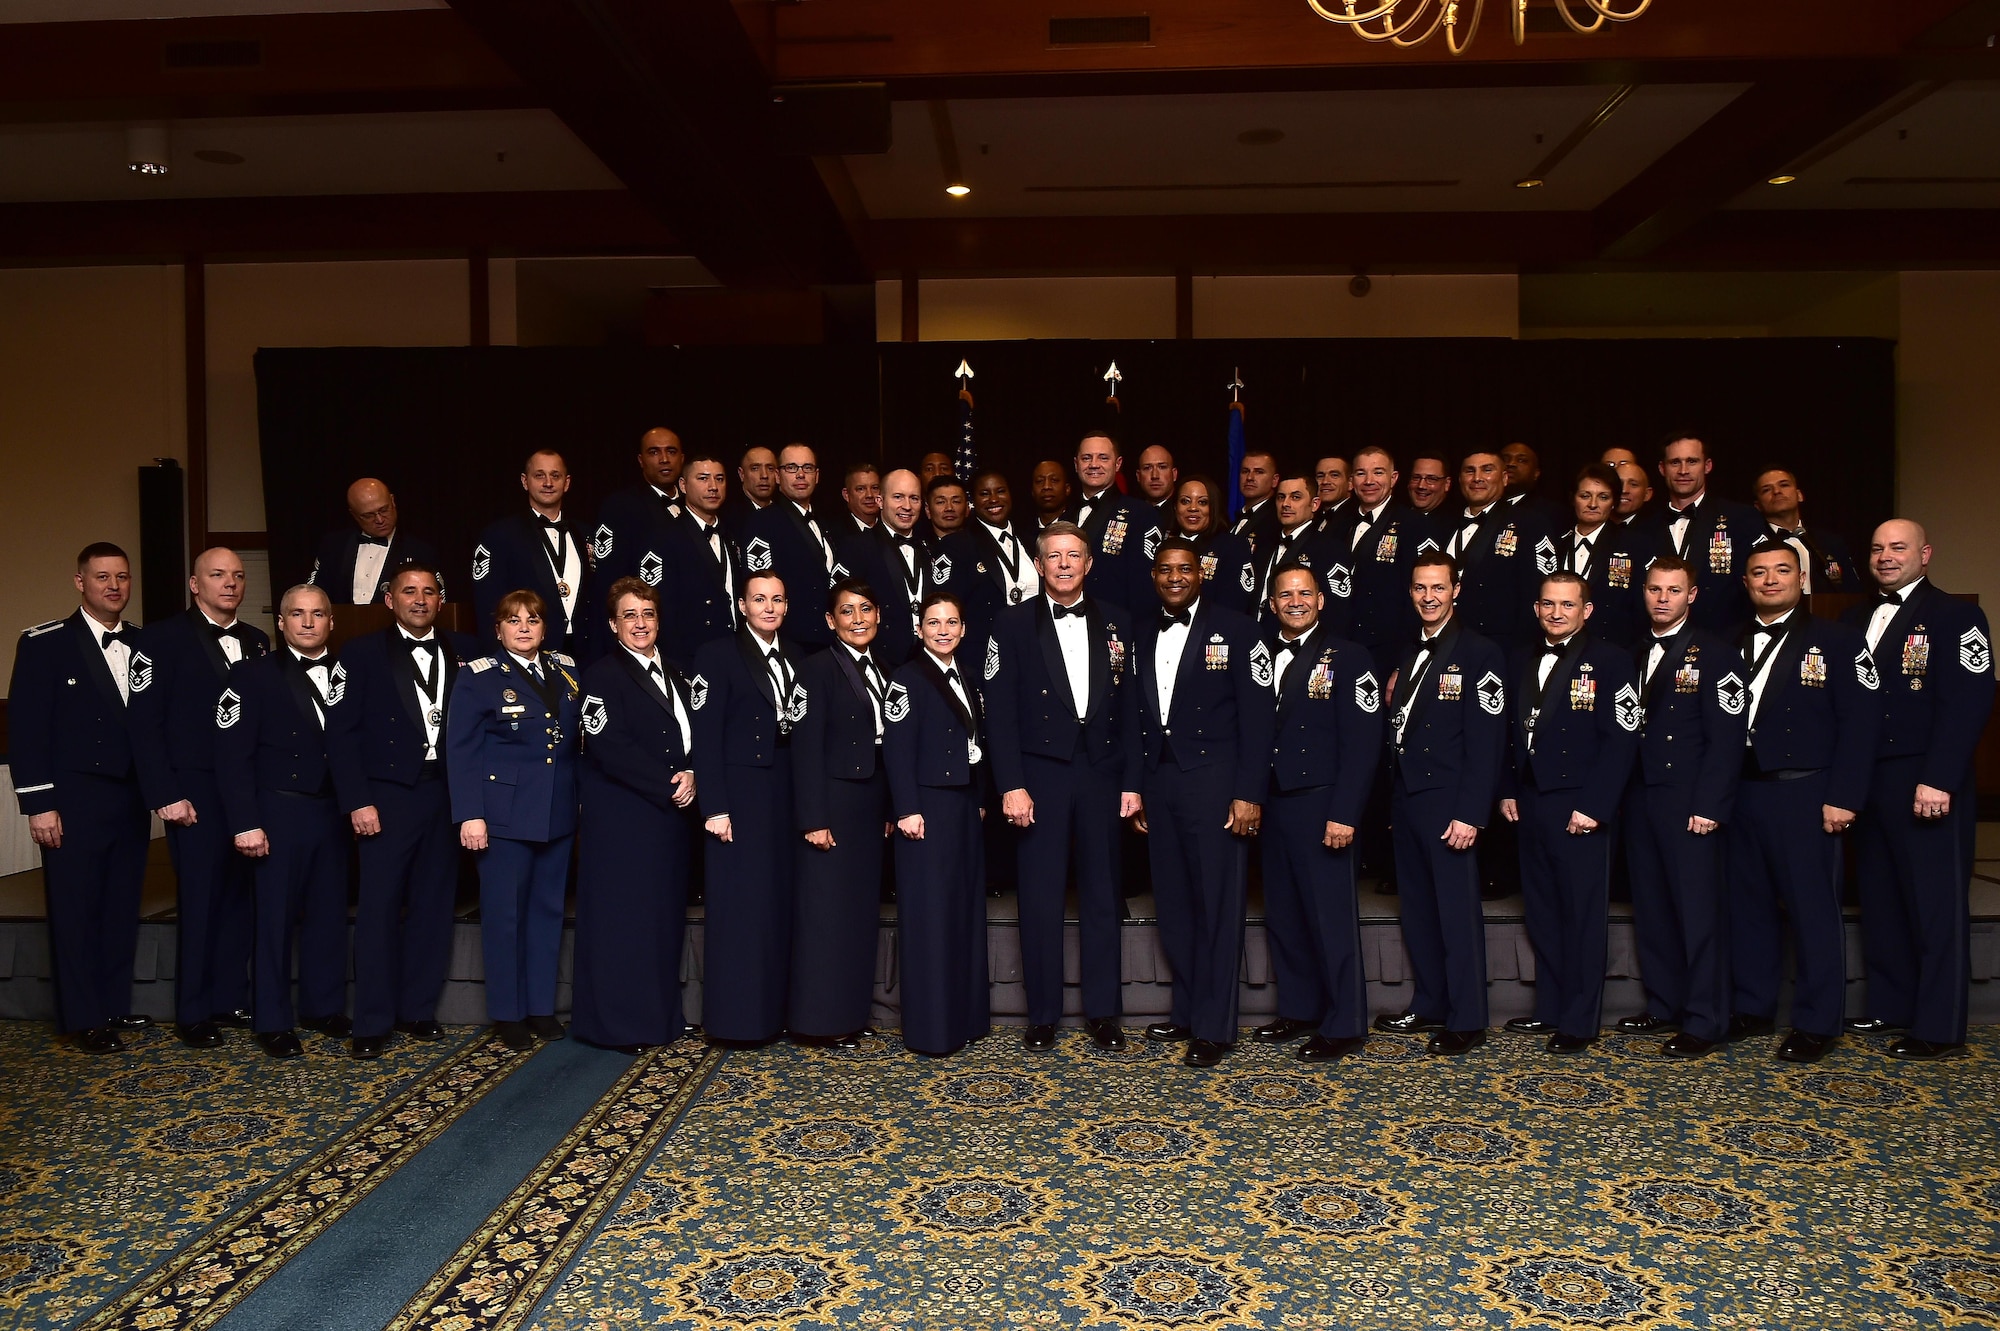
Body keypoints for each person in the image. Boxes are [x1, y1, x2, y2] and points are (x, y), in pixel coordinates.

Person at [1840, 520, 1996, 1059]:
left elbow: (1969, 702)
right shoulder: (1855, 618)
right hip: (1870, 777)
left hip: (1927, 777)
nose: (1885, 556)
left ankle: (1937, 1026)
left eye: (1898, 547)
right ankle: (1890, 1003)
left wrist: (1940, 777)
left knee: (1935, 904)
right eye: (1878, 547)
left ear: (1924, 554)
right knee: (1881, 896)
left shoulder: (1957, 615)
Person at [983, 522, 1141, 1052]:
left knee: (1102, 895)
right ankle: (1043, 1015)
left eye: (1075, 555)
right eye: (1055, 556)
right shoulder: (1008, 625)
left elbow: (1133, 713)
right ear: (1039, 563)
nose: (1065, 564)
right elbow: (998, 716)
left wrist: (1133, 782)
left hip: (1101, 775)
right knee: (1041, 896)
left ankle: (1104, 1012)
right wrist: (1011, 785)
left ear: (1089, 563)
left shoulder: (1119, 621)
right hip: (1039, 778)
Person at [1724, 540, 1878, 1064]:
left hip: (1807, 791)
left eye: (1781, 571)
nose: (1769, 580)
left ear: (1802, 578)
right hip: (1741, 790)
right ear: (1744, 582)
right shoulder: (1726, 640)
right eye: (1759, 572)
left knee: (1813, 909)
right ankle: (1752, 1006)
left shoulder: (1839, 640)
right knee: (1747, 907)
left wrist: (1843, 796)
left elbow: (1862, 724)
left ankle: (1817, 1021)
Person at [328, 564, 477, 1059]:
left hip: (446, 794)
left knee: (434, 907)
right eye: (409, 592)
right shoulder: (361, 653)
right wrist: (357, 800)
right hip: (387, 797)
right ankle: (371, 1021)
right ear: (389, 599)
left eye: (429, 592)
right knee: (378, 909)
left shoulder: (467, 650)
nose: (419, 599)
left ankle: (417, 1010)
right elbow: (341, 734)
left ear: (440, 599)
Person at [1131, 540, 1271, 1068]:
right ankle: (1188, 1010)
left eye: (1184, 569)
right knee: (1174, 905)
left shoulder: (1238, 629)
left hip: (1217, 786)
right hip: (1161, 783)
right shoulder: (1141, 631)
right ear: (1153, 575)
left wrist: (1249, 792)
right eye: (1164, 569)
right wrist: (1140, 788)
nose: (1174, 577)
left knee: (1217, 906)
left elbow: (1259, 718)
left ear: (1201, 573)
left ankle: (1215, 1026)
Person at [10, 543, 153, 1054]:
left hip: (130, 797)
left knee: (119, 904)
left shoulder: (144, 643)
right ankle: (83, 1017)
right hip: (72, 800)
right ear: (80, 583)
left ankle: (112, 1005)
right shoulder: (46, 643)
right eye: (102, 578)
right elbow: (26, 731)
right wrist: (38, 804)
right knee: (75, 909)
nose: (113, 587)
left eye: (121, 577)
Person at [215, 583, 366, 1058]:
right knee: (274, 919)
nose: (307, 622)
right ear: (280, 623)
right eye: (297, 614)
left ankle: (323, 1007)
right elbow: (230, 756)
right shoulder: (251, 675)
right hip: (277, 811)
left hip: (331, 810)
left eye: (317, 613)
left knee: (327, 914)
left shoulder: (353, 672)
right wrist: (244, 821)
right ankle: (273, 1020)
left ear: (331, 621)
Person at [129, 547, 270, 1048]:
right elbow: (144, 726)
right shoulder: (160, 639)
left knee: (240, 897)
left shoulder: (257, 641)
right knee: (200, 898)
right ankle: (192, 1009)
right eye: (217, 575)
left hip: (246, 793)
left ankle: (229, 997)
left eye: (236, 576)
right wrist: (166, 793)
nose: (229, 584)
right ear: (195, 584)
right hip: (193, 793)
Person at [1496, 572, 1640, 1055]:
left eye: (1567, 605)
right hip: (1532, 801)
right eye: (1548, 604)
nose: (1557, 613)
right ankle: (1551, 1009)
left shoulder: (1613, 662)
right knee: (1543, 910)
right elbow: (1509, 734)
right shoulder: (1520, 657)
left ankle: (1580, 1021)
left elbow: (1621, 741)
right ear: (1536, 609)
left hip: (1581, 805)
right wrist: (1509, 789)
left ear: (1587, 610)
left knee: (1581, 915)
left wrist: (1594, 807)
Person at [1374, 552, 1506, 1055]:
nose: (1428, 597)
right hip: (1408, 798)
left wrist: (1472, 812)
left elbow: (1486, 739)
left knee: (1454, 912)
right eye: (1419, 588)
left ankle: (1467, 1017)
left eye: (1438, 588)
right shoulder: (1410, 652)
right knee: (1419, 909)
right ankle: (1429, 1001)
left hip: (1450, 803)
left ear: (1456, 590)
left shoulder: (1479, 652)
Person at [1619, 555, 1746, 1059]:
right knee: (1653, 908)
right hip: (1642, 796)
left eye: (1673, 590)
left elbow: (1728, 737)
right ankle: (1666, 1002)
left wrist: (1711, 803)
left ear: (1691, 595)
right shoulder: (1630, 653)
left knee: (1698, 913)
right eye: (1654, 589)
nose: (1662, 598)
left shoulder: (1716, 654)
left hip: (1691, 800)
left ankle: (1704, 1018)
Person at [446, 589, 583, 1053]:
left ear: (545, 627)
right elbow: (460, 751)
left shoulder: (566, 669)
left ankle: (540, 1007)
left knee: (547, 914)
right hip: (502, 816)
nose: (524, 627)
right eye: (513, 620)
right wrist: (470, 814)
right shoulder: (478, 678)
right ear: (498, 628)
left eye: (533, 619)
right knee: (505, 917)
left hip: (557, 812)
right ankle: (508, 1012)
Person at [1256, 566, 1382, 1063]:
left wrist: (1346, 812)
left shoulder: (1351, 657)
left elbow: (1363, 742)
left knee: (1330, 919)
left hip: (1324, 803)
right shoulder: (1258, 653)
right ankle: (1299, 1008)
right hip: (1275, 801)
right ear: (1272, 604)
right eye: (1284, 594)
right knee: (1285, 914)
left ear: (1322, 600)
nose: (1295, 601)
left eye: (1304, 593)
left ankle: (1345, 1021)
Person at [572, 578, 699, 1053]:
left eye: (647, 613)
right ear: (612, 624)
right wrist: (671, 785)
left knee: (660, 920)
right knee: (622, 922)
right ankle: (618, 1026)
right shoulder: (602, 675)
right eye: (630, 615)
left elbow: (694, 735)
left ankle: (659, 1018)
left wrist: (695, 774)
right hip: (624, 819)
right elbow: (609, 748)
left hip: (667, 819)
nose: (640, 623)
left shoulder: (678, 671)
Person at [690, 573, 807, 1045]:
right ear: (742, 605)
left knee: (778, 904)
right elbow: (705, 739)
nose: (769, 607)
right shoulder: (716, 655)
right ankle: (736, 1022)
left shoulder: (799, 655)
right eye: (760, 599)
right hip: (737, 797)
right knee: (740, 908)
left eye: (777, 599)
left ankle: (775, 1014)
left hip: (784, 794)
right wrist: (714, 806)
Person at [883, 590, 992, 1057]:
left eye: (951, 622)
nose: (943, 630)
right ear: (919, 629)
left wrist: (981, 799)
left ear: (963, 630)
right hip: (925, 810)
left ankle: (965, 1018)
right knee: (929, 918)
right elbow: (896, 750)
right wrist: (906, 809)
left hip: (963, 808)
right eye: (934, 623)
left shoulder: (968, 675)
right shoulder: (906, 679)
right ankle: (932, 1030)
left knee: (962, 911)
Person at [790, 579, 894, 1048]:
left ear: (878, 616)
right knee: (825, 915)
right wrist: (813, 817)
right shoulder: (814, 670)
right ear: (831, 622)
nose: (858, 619)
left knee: (857, 913)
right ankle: (819, 1021)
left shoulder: (885, 668)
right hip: (831, 805)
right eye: (847, 612)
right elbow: (805, 749)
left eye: (865, 609)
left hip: (868, 806)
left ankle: (850, 1014)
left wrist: (890, 807)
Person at [471, 449, 592, 657]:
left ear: (567, 482)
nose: (548, 483)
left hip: (586, 654)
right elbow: (488, 606)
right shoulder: (499, 535)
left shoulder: (585, 533)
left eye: (555, 475)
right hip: (527, 655)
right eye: (539, 475)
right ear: (525, 481)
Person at [1634, 434, 1760, 632]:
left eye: (1692, 461)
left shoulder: (1740, 519)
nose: (1683, 470)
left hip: (1724, 642)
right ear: (1662, 468)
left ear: (1707, 466)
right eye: (1675, 462)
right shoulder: (1643, 528)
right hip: (1656, 644)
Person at [1441, 449, 1551, 654]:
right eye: (1469, 471)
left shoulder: (1529, 523)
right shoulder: (1443, 524)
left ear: (1504, 478)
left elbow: (1538, 591)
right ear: (1459, 479)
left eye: (1487, 470)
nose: (1477, 478)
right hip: (1446, 642)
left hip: (1504, 647)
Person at [742, 444, 838, 652]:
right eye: (792, 468)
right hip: (791, 640)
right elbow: (759, 582)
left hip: (830, 637)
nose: (801, 474)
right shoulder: (762, 522)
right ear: (778, 476)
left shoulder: (828, 522)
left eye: (808, 468)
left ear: (817, 475)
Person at [836, 467, 934, 665]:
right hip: (879, 660)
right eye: (898, 497)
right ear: (880, 501)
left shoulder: (928, 548)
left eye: (914, 498)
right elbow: (840, 606)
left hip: (927, 659)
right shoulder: (858, 547)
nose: (907, 506)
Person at [936, 468, 1037, 654]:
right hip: (984, 652)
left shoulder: (1033, 542)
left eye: (1000, 491)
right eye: (984, 494)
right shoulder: (958, 545)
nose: (993, 499)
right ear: (972, 501)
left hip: (1035, 645)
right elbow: (947, 606)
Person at [1063, 432, 1164, 616]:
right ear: (1076, 464)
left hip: (1116, 627)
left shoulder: (1140, 514)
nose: (1094, 464)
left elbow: (1145, 587)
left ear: (1117, 464)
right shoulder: (1065, 517)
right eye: (1087, 458)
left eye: (1103, 458)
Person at [660, 447, 742, 671]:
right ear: (683, 485)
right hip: (689, 657)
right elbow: (661, 607)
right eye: (703, 478)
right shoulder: (666, 537)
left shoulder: (731, 535)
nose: (713, 487)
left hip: (734, 651)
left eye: (720, 479)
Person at [308, 478, 444, 607]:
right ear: (354, 514)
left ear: (393, 501)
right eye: (368, 515)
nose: (379, 520)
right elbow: (313, 593)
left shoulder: (421, 551)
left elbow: (438, 601)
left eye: (384, 510)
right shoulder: (334, 546)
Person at [589, 427, 687, 597]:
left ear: (682, 458)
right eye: (654, 452)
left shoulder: (694, 504)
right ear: (641, 460)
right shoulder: (619, 507)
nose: (664, 459)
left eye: (671, 451)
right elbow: (609, 579)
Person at [1559, 464, 1646, 649]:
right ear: (1573, 498)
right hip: (1558, 645)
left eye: (1603, 497)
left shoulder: (1634, 545)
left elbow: (1641, 609)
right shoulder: (1556, 542)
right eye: (1585, 496)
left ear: (1614, 502)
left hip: (1612, 648)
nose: (1592, 504)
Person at [1753, 467, 1858, 596]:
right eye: (1766, 490)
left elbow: (1853, 591)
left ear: (1799, 495)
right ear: (1757, 506)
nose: (1777, 491)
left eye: (1784, 485)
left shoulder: (1830, 543)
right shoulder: (1753, 545)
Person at [1168, 474, 1257, 616]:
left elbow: (1233, 607)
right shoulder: (1164, 546)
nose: (1193, 508)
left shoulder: (1232, 547)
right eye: (1185, 501)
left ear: (1213, 508)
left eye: (1202, 502)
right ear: (1175, 507)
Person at [1249, 473, 1321, 613]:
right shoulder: (1264, 544)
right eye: (1281, 497)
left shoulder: (1328, 548)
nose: (1286, 504)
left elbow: (1335, 611)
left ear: (1314, 504)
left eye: (1295, 497)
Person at [1500, 442, 1567, 528]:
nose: (1511, 464)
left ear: (1536, 473)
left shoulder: (1551, 513)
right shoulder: (1482, 506)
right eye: (1505, 459)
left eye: (1521, 460)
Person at [724, 445, 780, 539]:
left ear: (777, 474)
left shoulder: (785, 513)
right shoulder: (729, 518)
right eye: (755, 468)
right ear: (742, 474)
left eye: (770, 468)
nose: (764, 475)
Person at [1230, 448, 1281, 551]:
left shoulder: (1277, 519)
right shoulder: (1233, 519)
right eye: (1245, 471)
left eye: (1259, 472)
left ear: (1274, 480)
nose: (1249, 477)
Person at [1405, 452, 1454, 534]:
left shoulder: (1455, 526)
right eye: (1416, 478)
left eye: (1431, 479)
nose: (1421, 486)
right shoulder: (1394, 518)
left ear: (1447, 484)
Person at [838, 461, 883, 537]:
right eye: (861, 489)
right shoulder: (835, 534)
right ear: (846, 495)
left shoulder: (892, 528)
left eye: (875, 488)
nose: (869, 495)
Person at [1135, 445, 1180, 521]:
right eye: (1147, 468)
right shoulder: (1131, 511)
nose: (1154, 476)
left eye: (1162, 467)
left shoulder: (1183, 515)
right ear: (1138, 476)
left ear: (1174, 474)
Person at [1029, 459, 1072, 533]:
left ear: (1067, 489)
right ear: (1032, 491)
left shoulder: (1078, 526)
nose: (1046, 486)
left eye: (1054, 480)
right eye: (1039, 481)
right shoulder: (1021, 533)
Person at [925, 473, 970, 541]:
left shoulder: (981, 545)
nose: (949, 508)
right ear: (928, 510)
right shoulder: (918, 547)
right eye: (941, 502)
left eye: (956, 501)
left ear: (967, 508)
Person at [1313, 455, 1353, 527]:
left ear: (1350, 483)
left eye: (1334, 475)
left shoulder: (1356, 519)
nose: (1325, 481)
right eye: (1320, 476)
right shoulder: (1312, 517)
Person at [1612, 459, 1653, 528]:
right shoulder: (1594, 525)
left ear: (1647, 494)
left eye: (1633, 484)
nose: (1624, 490)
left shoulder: (1657, 530)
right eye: (1618, 483)